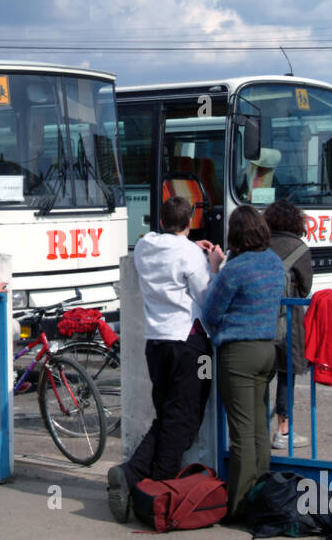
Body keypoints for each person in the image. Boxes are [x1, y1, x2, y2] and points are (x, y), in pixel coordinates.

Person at [106, 195, 222, 523]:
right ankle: (154, 489)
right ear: (190, 221)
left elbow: (163, 242)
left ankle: (133, 476)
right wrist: (211, 266)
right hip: (189, 343)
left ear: (160, 220)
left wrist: (186, 244)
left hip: (155, 344)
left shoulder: (145, 247)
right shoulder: (190, 254)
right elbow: (206, 295)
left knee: (166, 416)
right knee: (184, 420)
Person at [202, 205, 285, 520]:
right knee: (260, 428)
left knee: (241, 432)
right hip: (267, 350)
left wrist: (214, 271)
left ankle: (237, 506)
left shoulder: (235, 269)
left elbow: (211, 312)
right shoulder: (274, 263)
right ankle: (260, 495)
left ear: (235, 234)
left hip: (238, 353)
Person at [263, 200, 313, 447]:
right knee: (286, 374)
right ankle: (283, 429)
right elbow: (305, 289)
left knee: (261, 373)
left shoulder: (260, 245)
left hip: (259, 318)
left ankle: (257, 427)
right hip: (289, 320)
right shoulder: (299, 248)